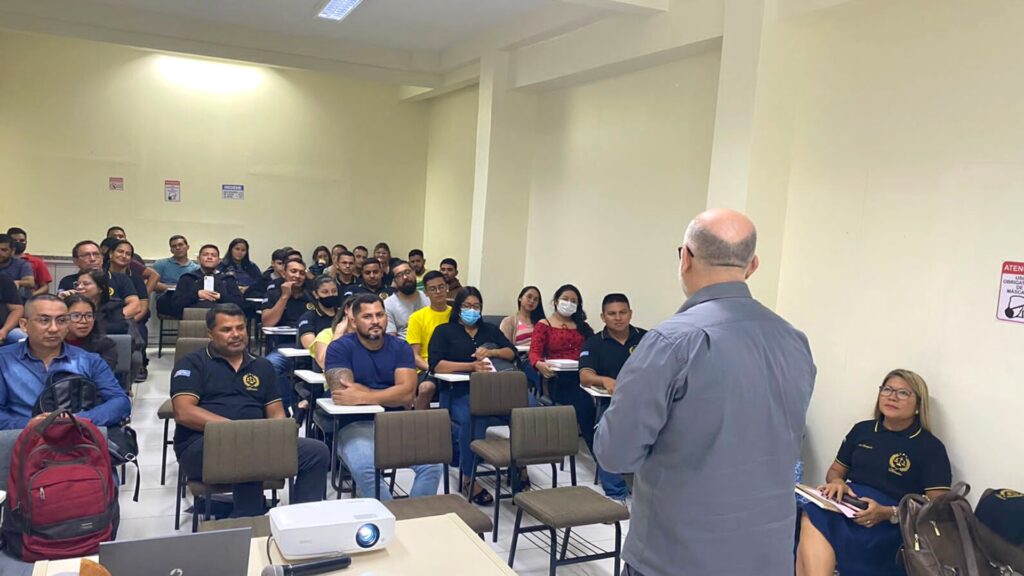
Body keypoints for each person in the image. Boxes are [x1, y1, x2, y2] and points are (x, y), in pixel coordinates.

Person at [593, 208, 816, 576]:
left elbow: (616, 454)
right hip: (766, 556)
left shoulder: (670, 342)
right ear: (753, 265)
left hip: (679, 556)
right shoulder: (794, 341)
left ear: (685, 258)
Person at [171, 304, 329, 517]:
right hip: (203, 444)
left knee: (316, 452)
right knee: (247, 453)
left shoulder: (262, 366)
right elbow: (184, 412)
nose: (236, 335)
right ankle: (247, 524)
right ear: (210, 333)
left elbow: (275, 413)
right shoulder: (193, 363)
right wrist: (238, 432)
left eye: (240, 328)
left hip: (256, 442)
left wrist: (276, 434)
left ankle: (300, 522)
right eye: (227, 330)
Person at [797, 370, 950, 576]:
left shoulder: (930, 447)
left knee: (815, 521)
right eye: (887, 389)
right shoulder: (862, 431)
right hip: (848, 505)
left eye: (903, 393)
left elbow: (938, 506)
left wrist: (888, 512)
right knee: (811, 512)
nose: (892, 396)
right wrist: (838, 483)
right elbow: (834, 472)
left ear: (918, 406)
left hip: (890, 520)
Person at [324, 294, 441, 500]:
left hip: (396, 422)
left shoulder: (400, 347)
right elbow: (342, 392)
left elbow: (407, 394)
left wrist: (364, 394)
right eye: (367, 317)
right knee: (366, 468)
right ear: (353, 320)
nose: (376, 321)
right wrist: (391, 394)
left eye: (380, 315)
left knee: (433, 464)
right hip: (354, 425)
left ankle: (413, 518)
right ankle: (392, 520)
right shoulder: (340, 347)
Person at [429, 286, 529, 503]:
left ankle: (520, 466)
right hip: (459, 392)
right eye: (467, 306)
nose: (472, 310)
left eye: (476, 306)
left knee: (525, 410)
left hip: (494, 391)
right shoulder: (444, 331)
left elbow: (511, 351)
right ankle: (468, 477)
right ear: (457, 308)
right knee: (472, 417)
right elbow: (436, 365)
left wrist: (491, 352)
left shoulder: (490, 330)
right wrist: (470, 366)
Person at [0, 294, 130, 430]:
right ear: (24, 325)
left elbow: (120, 402)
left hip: (77, 438)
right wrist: (28, 424)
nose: (54, 328)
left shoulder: (89, 360)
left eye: (61, 321)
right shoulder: (4, 360)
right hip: (20, 439)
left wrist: (79, 420)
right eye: (44, 320)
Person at [577, 293, 646, 503]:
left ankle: (651, 491)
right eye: (612, 314)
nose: (618, 318)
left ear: (630, 313)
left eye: (623, 312)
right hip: (611, 402)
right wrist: (605, 380)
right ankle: (616, 494)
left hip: (645, 400)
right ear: (603, 316)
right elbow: (585, 376)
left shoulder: (647, 338)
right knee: (605, 436)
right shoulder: (594, 342)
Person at [528, 284, 595, 450]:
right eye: (565, 299)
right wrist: (539, 364)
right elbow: (534, 352)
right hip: (557, 378)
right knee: (584, 404)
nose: (569, 303)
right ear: (556, 301)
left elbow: (594, 350)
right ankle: (599, 454)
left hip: (583, 374)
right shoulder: (544, 325)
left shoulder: (583, 327)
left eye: (574, 301)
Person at [262, 259, 313, 410]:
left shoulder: (312, 295)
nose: (298, 276)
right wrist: (284, 296)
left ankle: (311, 403)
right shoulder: (273, 293)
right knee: (271, 365)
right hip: (285, 346)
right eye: (293, 271)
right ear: (284, 273)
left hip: (310, 345)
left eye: (302, 273)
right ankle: (288, 406)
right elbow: (267, 323)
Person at [104, 239, 151, 381]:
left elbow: (141, 308)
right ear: (111, 254)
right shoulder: (99, 275)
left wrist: (125, 321)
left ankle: (137, 365)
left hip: (132, 318)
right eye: (120, 252)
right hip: (104, 318)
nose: (124, 256)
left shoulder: (135, 278)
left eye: (128, 254)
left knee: (139, 330)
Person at [58, 241, 141, 319]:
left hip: (113, 326)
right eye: (87, 255)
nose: (93, 259)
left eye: (96, 254)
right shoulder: (67, 281)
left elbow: (135, 306)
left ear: (102, 257)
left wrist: (110, 320)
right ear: (76, 261)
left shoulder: (120, 278)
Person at [405, 271, 450, 411]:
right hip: (427, 368)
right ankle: (418, 424)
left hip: (454, 367)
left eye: (441, 287)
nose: (438, 291)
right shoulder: (417, 318)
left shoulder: (456, 315)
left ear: (447, 287)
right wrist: (433, 368)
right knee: (426, 388)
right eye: (432, 289)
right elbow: (414, 355)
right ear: (425, 292)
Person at [172, 244, 244, 314]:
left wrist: (220, 297)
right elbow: (175, 304)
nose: (209, 257)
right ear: (198, 259)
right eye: (205, 254)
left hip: (223, 318)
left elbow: (240, 304)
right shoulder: (187, 278)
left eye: (214, 255)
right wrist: (197, 295)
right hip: (193, 317)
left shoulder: (228, 279)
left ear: (219, 261)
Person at [499, 286, 545, 387]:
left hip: (541, 357)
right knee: (537, 369)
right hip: (522, 359)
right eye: (529, 297)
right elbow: (505, 347)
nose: (532, 301)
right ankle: (543, 396)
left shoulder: (541, 322)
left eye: (536, 300)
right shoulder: (509, 321)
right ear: (520, 298)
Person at [63, 295, 118, 372]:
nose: (84, 321)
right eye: (76, 316)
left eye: (89, 316)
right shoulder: (51, 344)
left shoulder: (106, 345)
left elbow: (101, 375)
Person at [384, 261, 428, 340]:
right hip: (404, 347)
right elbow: (391, 339)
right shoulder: (388, 304)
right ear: (395, 281)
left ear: (414, 273)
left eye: (407, 272)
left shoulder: (428, 297)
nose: (405, 277)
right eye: (399, 275)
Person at [312, 296, 356, 371]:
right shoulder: (326, 334)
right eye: (356, 310)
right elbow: (325, 364)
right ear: (346, 310)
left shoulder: (373, 336)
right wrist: (337, 335)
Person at [5, 228, 50, 296]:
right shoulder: (3, 261)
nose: (18, 242)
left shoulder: (37, 262)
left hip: (28, 298)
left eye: (22, 240)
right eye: (15, 240)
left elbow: (45, 287)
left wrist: (31, 297)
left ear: (26, 242)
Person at [0, 274, 25, 345]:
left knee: (21, 336)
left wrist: (4, 330)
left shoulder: (4, 280)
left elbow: (17, 310)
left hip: (4, 329)